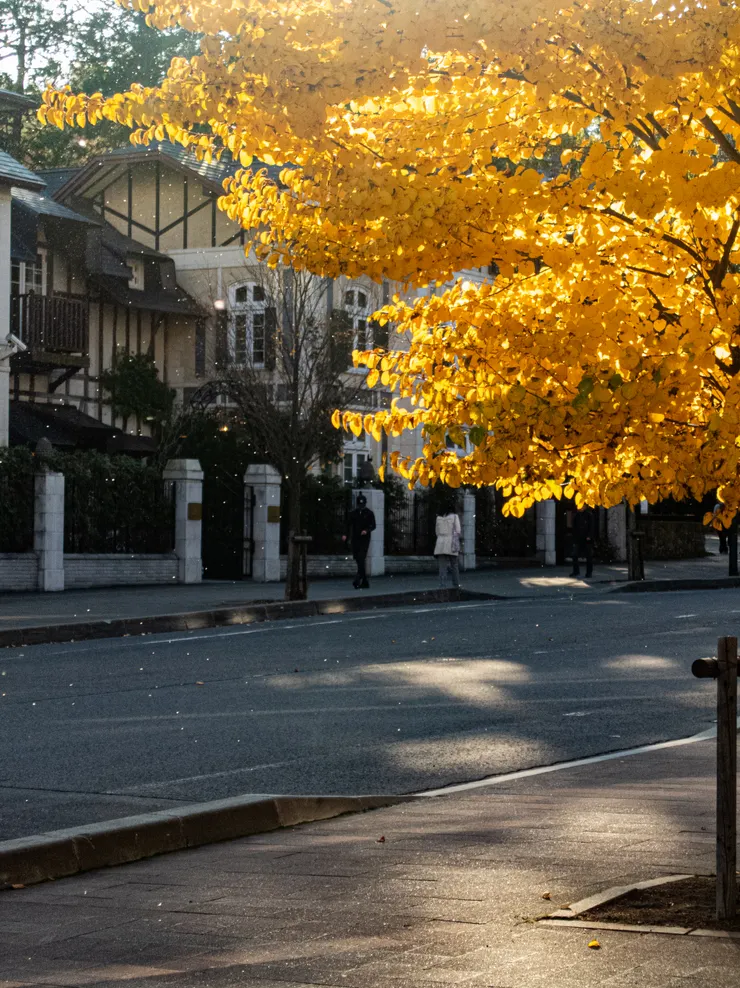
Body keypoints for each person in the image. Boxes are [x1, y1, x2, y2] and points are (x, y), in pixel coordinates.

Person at [343, 493, 376, 589]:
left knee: (361, 557)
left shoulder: (369, 513)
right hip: (355, 538)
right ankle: (364, 581)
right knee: (358, 559)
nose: (361, 507)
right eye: (360, 505)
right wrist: (345, 534)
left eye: (362, 505)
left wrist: (366, 530)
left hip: (364, 539)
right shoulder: (353, 513)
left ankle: (358, 578)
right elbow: (348, 524)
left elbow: (373, 525)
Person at [434, 502, 462, 589]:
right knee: (454, 565)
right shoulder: (455, 517)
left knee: (442, 567)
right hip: (451, 543)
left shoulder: (438, 518)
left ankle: (442, 586)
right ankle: (456, 585)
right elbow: (458, 530)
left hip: (440, 544)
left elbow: (437, 532)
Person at [570, 506, 595, 578]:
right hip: (578, 538)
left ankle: (589, 573)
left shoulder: (589, 515)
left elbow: (591, 526)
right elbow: (574, 527)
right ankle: (576, 571)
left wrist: (589, 536)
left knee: (588, 556)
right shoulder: (576, 515)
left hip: (586, 539)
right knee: (575, 555)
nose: (580, 508)